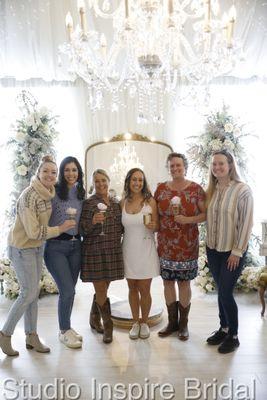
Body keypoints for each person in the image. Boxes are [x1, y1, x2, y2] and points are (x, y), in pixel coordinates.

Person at [0, 156, 76, 357]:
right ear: (38, 173)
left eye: (53, 172)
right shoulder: (29, 197)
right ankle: (5, 333)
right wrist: (60, 229)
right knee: (28, 292)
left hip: (36, 248)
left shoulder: (48, 193)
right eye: (46, 171)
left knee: (33, 293)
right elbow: (33, 232)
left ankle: (31, 336)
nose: (50, 175)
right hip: (21, 247)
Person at [205, 149, 253, 354]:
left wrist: (237, 252)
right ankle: (223, 328)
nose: (217, 167)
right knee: (220, 290)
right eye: (214, 164)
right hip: (213, 249)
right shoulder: (211, 189)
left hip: (232, 251)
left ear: (230, 165)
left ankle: (233, 335)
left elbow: (246, 224)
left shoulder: (243, 190)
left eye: (221, 164)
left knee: (225, 291)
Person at [155, 152, 206, 341]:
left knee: (184, 283)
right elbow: (154, 214)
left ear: (185, 166)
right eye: (172, 166)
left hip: (187, 244)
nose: (175, 168)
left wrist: (188, 219)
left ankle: (184, 324)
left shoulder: (195, 189)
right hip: (166, 245)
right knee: (168, 282)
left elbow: (205, 214)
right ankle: (172, 322)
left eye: (179, 165)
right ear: (168, 168)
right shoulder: (161, 189)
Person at [44, 156, 85, 349]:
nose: (71, 173)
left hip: (76, 246)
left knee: (70, 291)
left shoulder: (80, 192)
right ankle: (63, 331)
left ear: (79, 172)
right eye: (67, 170)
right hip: (55, 247)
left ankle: (67, 328)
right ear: (62, 172)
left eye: (74, 170)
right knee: (67, 290)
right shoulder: (53, 191)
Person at [80, 169, 124, 344]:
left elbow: (122, 227)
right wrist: (92, 222)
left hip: (113, 250)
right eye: (96, 181)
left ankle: (93, 317)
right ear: (93, 183)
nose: (101, 184)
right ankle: (108, 326)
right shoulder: (89, 203)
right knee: (100, 289)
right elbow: (82, 229)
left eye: (103, 180)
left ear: (108, 181)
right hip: (95, 250)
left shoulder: (115, 203)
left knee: (104, 288)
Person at [121, 168, 160, 340]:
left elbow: (158, 225)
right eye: (134, 180)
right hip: (128, 249)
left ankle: (144, 322)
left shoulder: (150, 201)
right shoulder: (122, 203)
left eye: (140, 180)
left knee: (144, 288)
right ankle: (135, 322)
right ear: (128, 181)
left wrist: (154, 227)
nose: (137, 183)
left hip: (146, 249)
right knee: (131, 288)